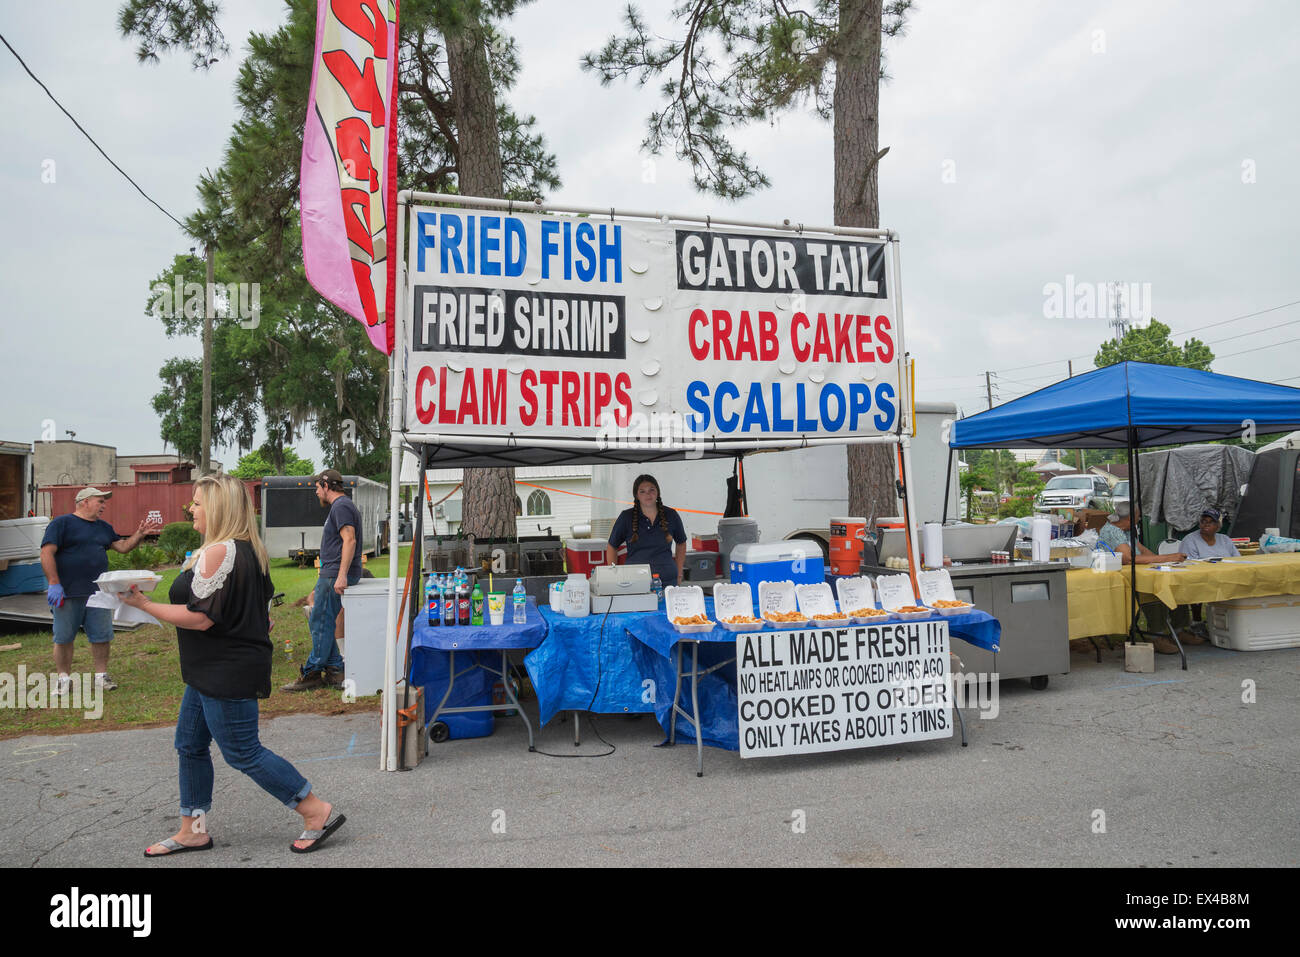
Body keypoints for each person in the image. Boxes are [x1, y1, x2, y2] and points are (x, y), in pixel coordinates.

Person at [120, 474, 345, 856]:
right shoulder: (243, 549)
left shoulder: (219, 552)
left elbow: (202, 617)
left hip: (225, 669)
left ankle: (315, 810)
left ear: (218, 508)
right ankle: (192, 830)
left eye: (197, 503)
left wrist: (142, 605)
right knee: (190, 745)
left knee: (243, 751)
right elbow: (257, 607)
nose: (190, 509)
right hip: (209, 668)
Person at [40, 487, 159, 694]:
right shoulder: (62, 523)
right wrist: (53, 583)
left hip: (99, 594)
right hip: (68, 593)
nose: (103, 505)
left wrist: (139, 535)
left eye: (104, 502)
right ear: (84, 502)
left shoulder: (103, 527)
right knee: (64, 637)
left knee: (101, 636)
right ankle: (63, 678)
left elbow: (122, 547)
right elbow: (46, 552)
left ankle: (101, 676)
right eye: (100, 501)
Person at [283, 468, 362, 692]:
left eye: (317, 487)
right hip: (332, 573)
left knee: (319, 621)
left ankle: (312, 673)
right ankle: (336, 670)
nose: (316, 492)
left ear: (327, 486)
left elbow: (350, 541)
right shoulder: (341, 507)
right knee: (323, 620)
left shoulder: (342, 506)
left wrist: (341, 575)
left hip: (335, 573)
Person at [1098, 501, 1198, 654]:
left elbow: (1142, 551)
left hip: (1139, 572)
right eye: (1138, 517)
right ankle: (1157, 635)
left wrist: (1165, 561)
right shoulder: (1112, 531)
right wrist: (1168, 558)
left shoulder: (1126, 529)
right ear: (1130, 518)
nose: (1139, 520)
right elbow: (1129, 558)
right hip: (1120, 578)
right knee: (1153, 590)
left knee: (1172, 583)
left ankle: (1179, 629)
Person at [605, 474, 688, 586]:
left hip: (668, 581)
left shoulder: (671, 515)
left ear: (657, 492)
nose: (648, 494)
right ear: (636, 495)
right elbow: (611, 546)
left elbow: (681, 543)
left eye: (651, 490)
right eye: (642, 491)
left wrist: (679, 573)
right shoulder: (626, 517)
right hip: (634, 582)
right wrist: (614, 575)